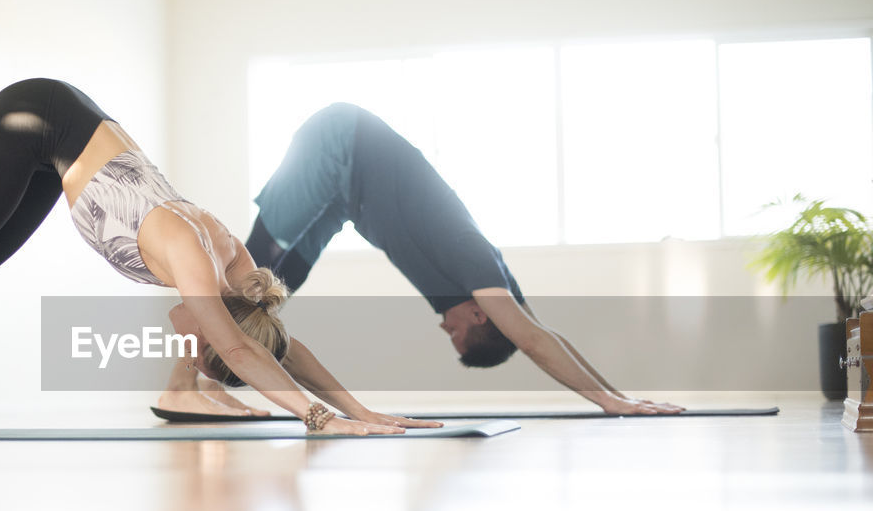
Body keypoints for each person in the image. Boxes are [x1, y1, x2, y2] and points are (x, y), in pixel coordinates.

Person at [0, 79, 439, 435]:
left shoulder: (240, 272)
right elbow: (243, 349)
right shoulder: (196, 260)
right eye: (209, 345)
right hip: (34, 117)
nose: (192, 343)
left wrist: (363, 409)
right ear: (217, 325)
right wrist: (320, 419)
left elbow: (274, 344)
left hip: (64, 140)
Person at [157, 102, 683, 417]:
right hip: (343, 146)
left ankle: (209, 383)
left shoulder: (475, 276)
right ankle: (183, 386)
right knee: (245, 281)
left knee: (278, 291)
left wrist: (619, 394)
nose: (445, 328)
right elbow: (531, 335)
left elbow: (538, 326)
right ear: (481, 314)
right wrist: (611, 402)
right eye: (458, 333)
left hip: (346, 195)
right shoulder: (473, 259)